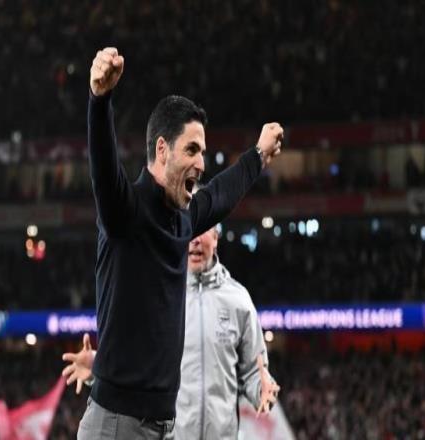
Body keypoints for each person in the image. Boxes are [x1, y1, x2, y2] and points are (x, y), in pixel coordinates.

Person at [81, 46, 283, 439]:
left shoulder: (183, 217)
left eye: (203, 152)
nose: (202, 163)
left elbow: (221, 194)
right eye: (192, 149)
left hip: (162, 428)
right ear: (162, 149)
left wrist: (259, 155)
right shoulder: (125, 212)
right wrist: (99, 99)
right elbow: (103, 168)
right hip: (117, 425)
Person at [63, 225, 281, 439]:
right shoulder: (158, 294)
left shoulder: (238, 300)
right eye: (190, 231)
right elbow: (132, 363)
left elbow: (254, 372)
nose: (195, 240)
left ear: (216, 237)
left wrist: (261, 389)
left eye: (203, 229)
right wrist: (98, 368)